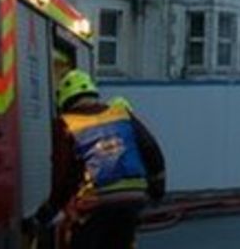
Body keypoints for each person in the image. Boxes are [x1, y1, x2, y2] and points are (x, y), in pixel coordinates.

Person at [32, 70, 166, 249]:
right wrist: (157, 191)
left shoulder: (66, 123)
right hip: (133, 197)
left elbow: (63, 174)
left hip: (95, 201)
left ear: (65, 100)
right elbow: (152, 150)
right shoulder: (121, 114)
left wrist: (48, 211)